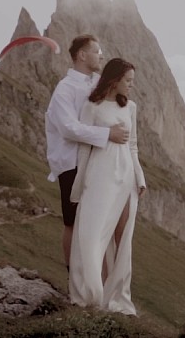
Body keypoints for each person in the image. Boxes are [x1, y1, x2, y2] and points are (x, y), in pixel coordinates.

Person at [45, 35, 130, 272]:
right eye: (96, 51)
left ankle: (97, 279)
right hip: (71, 162)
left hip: (96, 162)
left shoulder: (96, 84)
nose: (101, 55)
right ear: (82, 55)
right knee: (73, 222)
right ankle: (74, 277)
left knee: (96, 221)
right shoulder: (65, 89)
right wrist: (107, 134)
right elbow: (68, 128)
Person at [68, 58, 145, 315]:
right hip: (100, 176)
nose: (131, 86)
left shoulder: (130, 107)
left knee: (122, 238)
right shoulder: (93, 105)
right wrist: (83, 180)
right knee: (92, 234)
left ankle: (119, 298)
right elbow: (82, 141)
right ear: (114, 80)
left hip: (126, 177)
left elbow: (133, 145)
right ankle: (91, 293)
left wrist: (140, 177)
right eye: (128, 81)